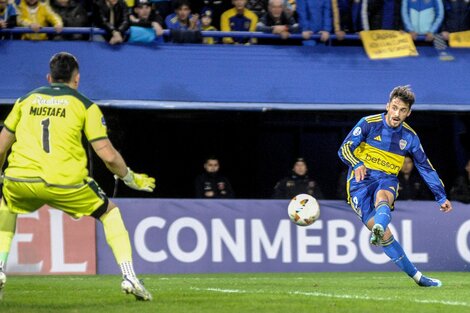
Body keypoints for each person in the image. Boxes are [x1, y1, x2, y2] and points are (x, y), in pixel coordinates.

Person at [0, 52, 155, 301]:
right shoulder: (85, 105)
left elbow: (1, 146)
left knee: (6, 205)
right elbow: (107, 155)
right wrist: (130, 178)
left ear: (49, 77)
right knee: (109, 211)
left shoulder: (25, 100)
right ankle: (129, 276)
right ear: (77, 79)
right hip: (65, 181)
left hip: (21, 179)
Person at [338, 85, 453, 287]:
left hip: (386, 178)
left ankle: (380, 228)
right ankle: (417, 277)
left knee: (383, 197)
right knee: (387, 236)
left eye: (402, 110)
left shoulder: (410, 137)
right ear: (388, 106)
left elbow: (425, 167)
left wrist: (440, 195)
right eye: (394, 108)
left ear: (408, 113)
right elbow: (344, 149)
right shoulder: (368, 123)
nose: (397, 114)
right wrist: (356, 163)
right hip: (359, 183)